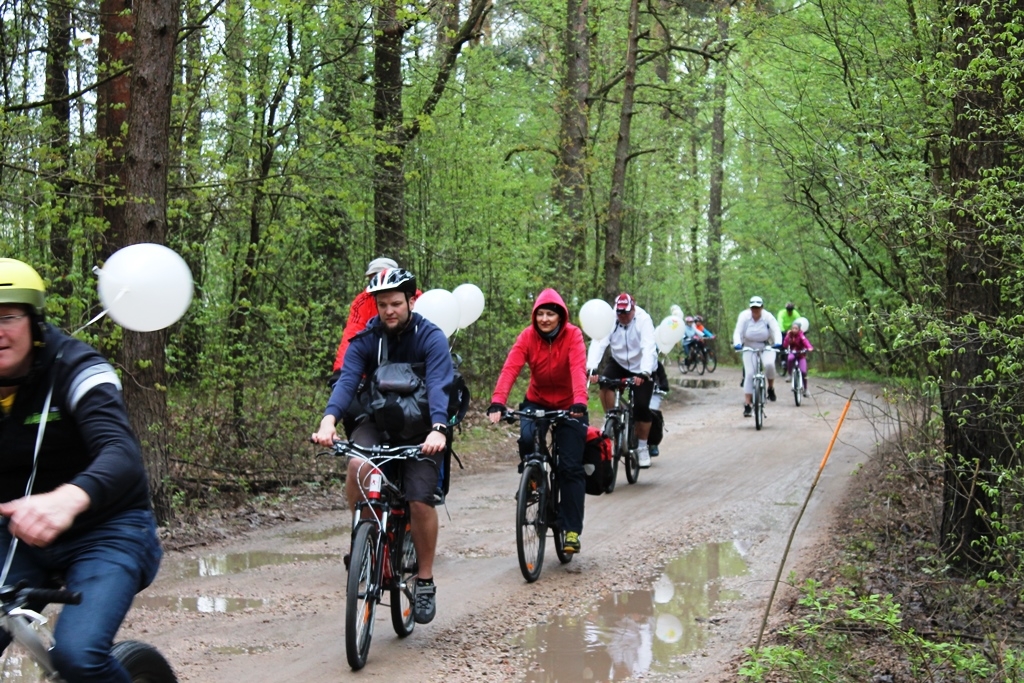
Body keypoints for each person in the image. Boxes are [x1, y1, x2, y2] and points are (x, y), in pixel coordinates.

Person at [0, 258, 163, 683]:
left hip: (107, 530)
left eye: (8, 317)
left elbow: (120, 452)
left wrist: (67, 499)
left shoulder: (78, 367)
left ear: (35, 322)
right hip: (17, 532)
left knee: (78, 657)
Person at [312, 268, 453, 625]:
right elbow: (347, 382)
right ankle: (365, 539)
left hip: (422, 431)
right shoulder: (367, 339)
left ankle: (424, 581)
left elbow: (439, 384)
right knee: (358, 465)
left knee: (419, 500)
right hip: (379, 424)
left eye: (395, 303)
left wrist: (438, 429)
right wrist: (329, 420)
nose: (389, 311)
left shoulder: (430, 337)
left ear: (410, 301)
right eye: (382, 305)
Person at [486, 289, 589, 554]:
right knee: (528, 439)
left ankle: (572, 530)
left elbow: (578, 368)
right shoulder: (528, 336)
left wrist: (580, 401)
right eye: (540, 314)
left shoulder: (573, 335)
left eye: (550, 314)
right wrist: (498, 400)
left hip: (570, 405)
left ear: (560, 316)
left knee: (569, 467)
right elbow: (511, 367)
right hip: (537, 400)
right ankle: (533, 482)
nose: (544, 319)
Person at [586, 293, 658, 468]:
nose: (623, 317)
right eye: (619, 313)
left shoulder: (643, 319)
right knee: (605, 384)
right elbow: (599, 341)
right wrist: (592, 367)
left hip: (642, 365)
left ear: (633, 309)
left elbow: (648, 347)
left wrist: (645, 372)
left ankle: (642, 447)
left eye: (626, 313)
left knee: (641, 407)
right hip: (618, 362)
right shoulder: (610, 318)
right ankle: (611, 416)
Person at [329, 256, 399, 384]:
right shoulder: (362, 302)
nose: (378, 281)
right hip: (373, 364)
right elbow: (352, 335)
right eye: (373, 278)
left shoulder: (413, 298)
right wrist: (342, 370)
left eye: (382, 276)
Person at [732, 295, 783, 417]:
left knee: (770, 365)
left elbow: (776, 330)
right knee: (749, 373)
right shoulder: (744, 316)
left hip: (766, 346)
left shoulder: (767, 317)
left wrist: (778, 342)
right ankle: (748, 404)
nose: (755, 310)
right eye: (753, 308)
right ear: (750, 308)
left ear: (762, 307)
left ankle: (770, 388)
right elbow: (738, 331)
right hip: (749, 347)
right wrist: (738, 344)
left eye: (758, 307)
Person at [783, 322, 814, 396]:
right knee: (790, 359)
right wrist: (787, 336)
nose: (794, 330)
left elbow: (805, 341)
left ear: (799, 329)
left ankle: (806, 389)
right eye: (793, 328)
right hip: (792, 352)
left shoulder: (801, 335)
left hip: (801, 354)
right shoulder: (789, 335)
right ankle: (790, 375)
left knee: (803, 371)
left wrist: (809, 347)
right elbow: (785, 344)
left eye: (796, 328)